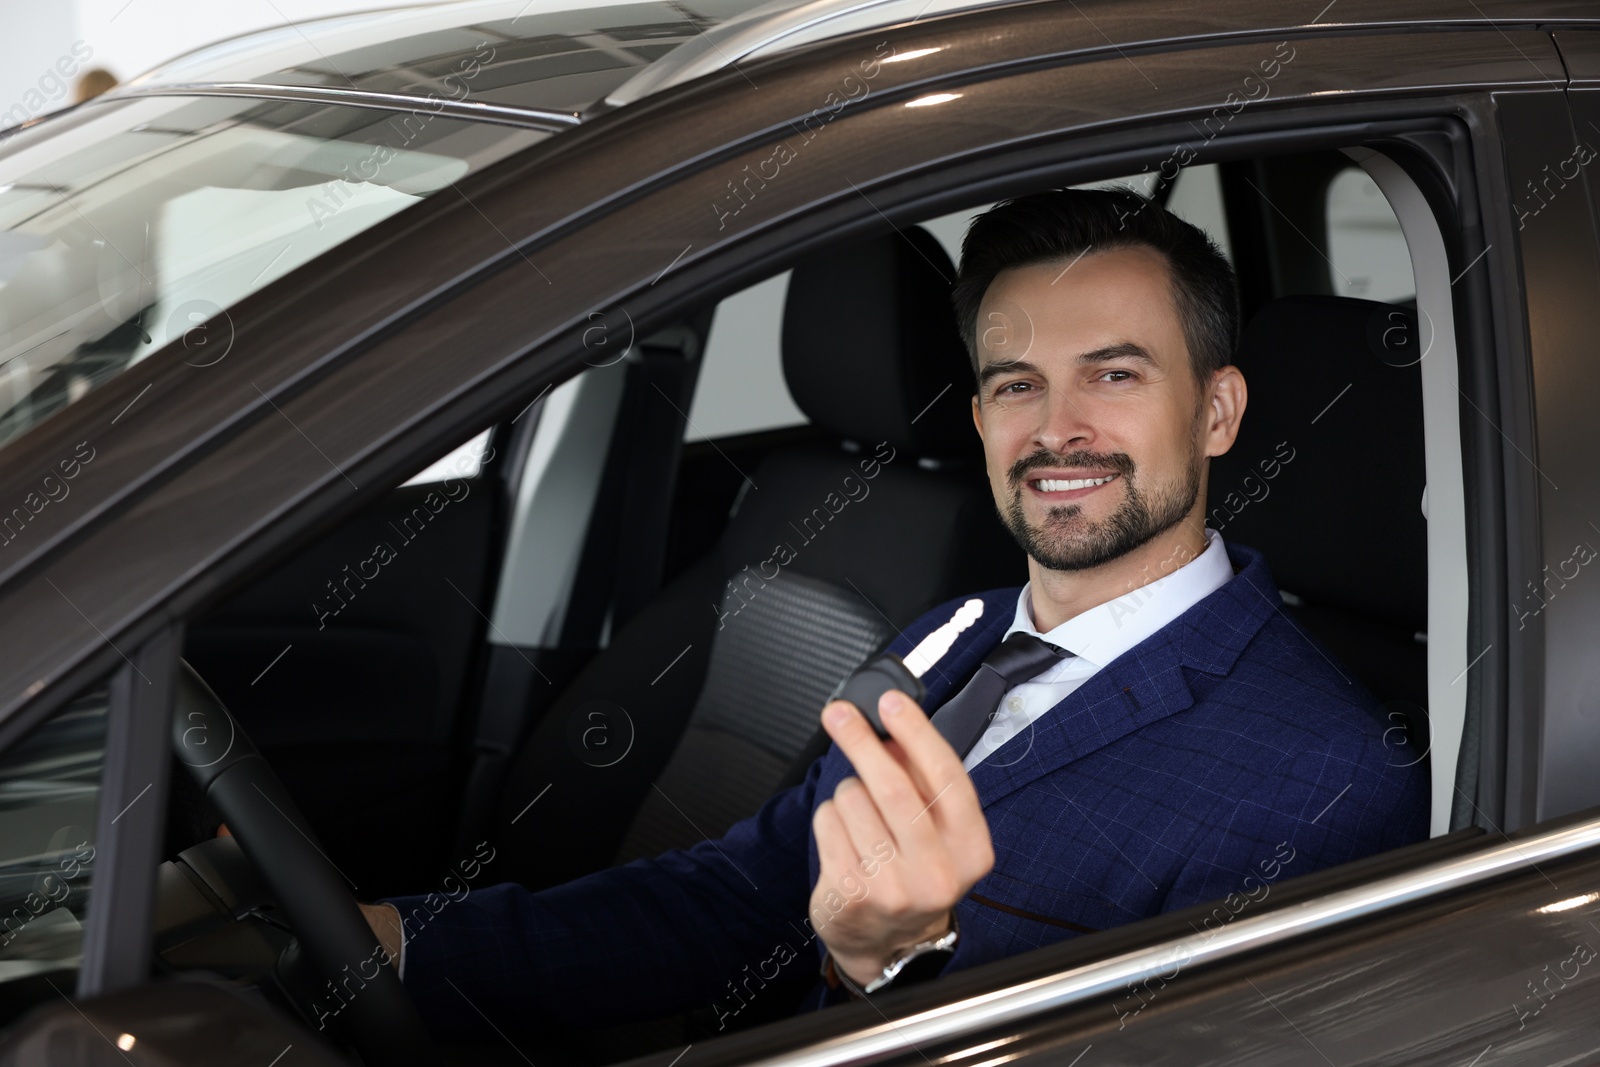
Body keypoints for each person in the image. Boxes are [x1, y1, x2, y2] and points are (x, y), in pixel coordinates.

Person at [359, 187, 1428, 1038]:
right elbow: (746, 894)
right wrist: (401, 944)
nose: (1058, 430)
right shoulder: (951, 630)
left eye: (1113, 373)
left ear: (1217, 410)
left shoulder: (1328, 780)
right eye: (1016, 385)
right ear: (976, 415)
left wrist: (885, 971)